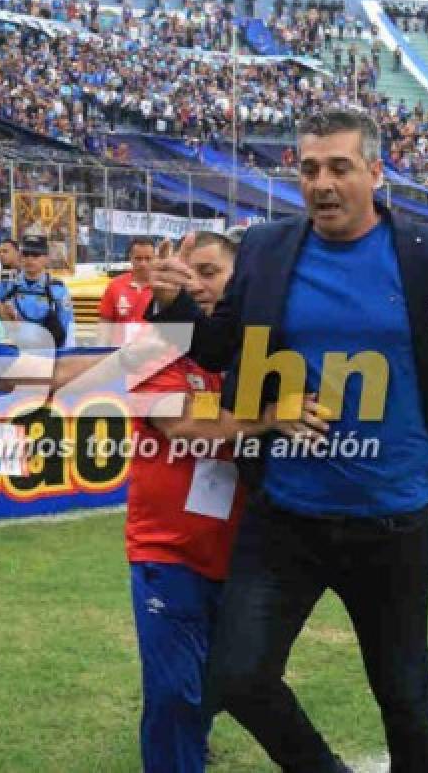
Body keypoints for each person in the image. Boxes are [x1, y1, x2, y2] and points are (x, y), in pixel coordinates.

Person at [148, 107, 428, 772]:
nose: (321, 182)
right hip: (286, 517)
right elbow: (215, 347)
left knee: (406, 699)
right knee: (236, 676)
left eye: (340, 168)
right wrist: (176, 307)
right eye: (310, 168)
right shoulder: (264, 250)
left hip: (393, 522)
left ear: (375, 173)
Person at [128, 230, 327, 773]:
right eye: (189, 272)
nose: (198, 283)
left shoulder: (258, 352)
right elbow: (188, 425)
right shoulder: (154, 347)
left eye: (211, 272)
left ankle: (189, 742)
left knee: (226, 682)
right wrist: (269, 417)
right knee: (174, 693)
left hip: (245, 554)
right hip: (169, 552)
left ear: (243, 280)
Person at [0, 236, 76, 350]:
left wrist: (64, 356)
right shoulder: (7, 286)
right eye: (26, 255)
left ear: (46, 259)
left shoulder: (57, 290)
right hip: (15, 352)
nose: (30, 259)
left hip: (46, 352)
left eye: (35, 255)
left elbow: (67, 327)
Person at [98, 237, 155, 346]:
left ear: (155, 259)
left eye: (148, 259)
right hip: (120, 356)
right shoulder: (115, 285)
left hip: (152, 357)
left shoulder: (162, 288)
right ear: (131, 258)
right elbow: (105, 322)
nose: (143, 264)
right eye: (138, 258)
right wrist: (101, 350)